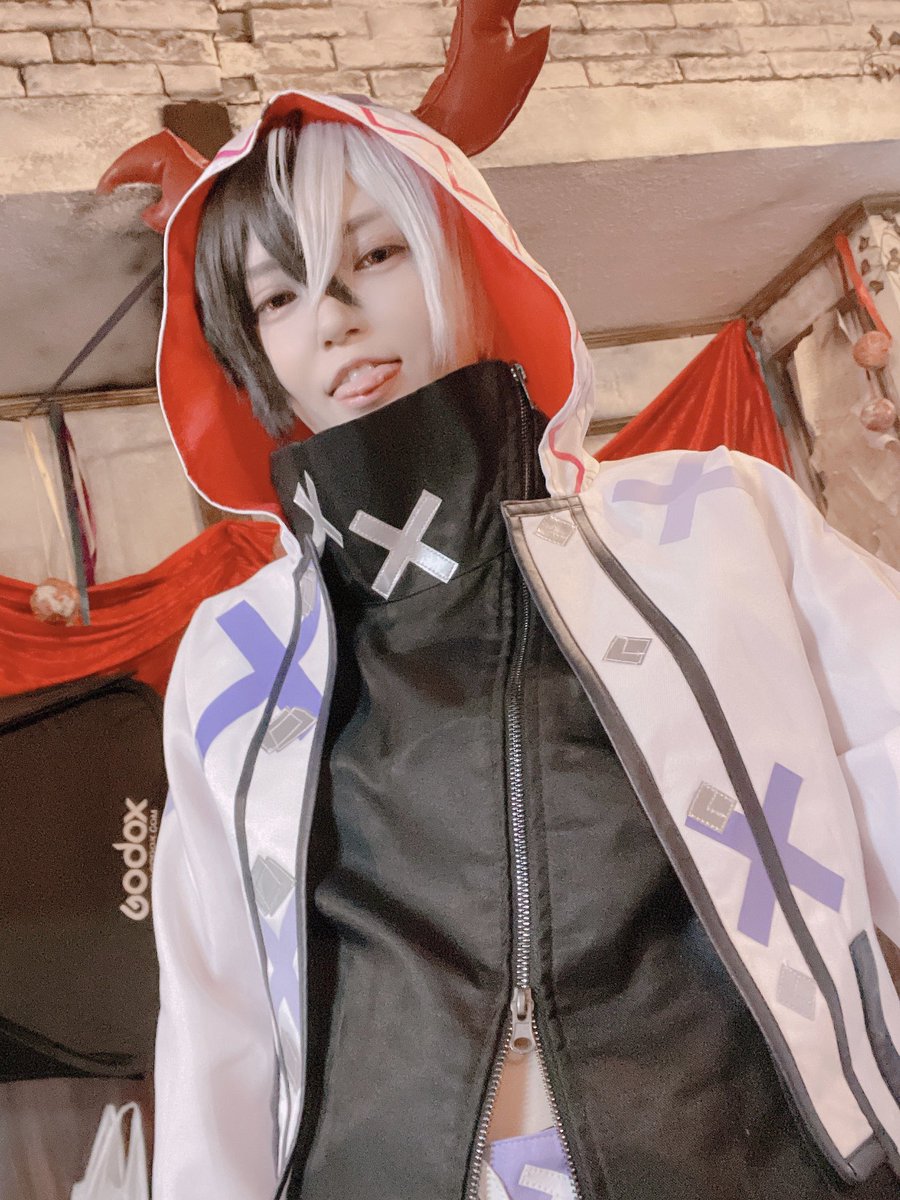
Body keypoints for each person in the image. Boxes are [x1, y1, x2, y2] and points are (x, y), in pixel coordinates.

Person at [150, 90, 900, 1200]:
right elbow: (218, 1009)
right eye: (278, 294)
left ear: (466, 249)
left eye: (376, 254)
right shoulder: (241, 656)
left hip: (738, 1153)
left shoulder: (710, 523)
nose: (333, 319)